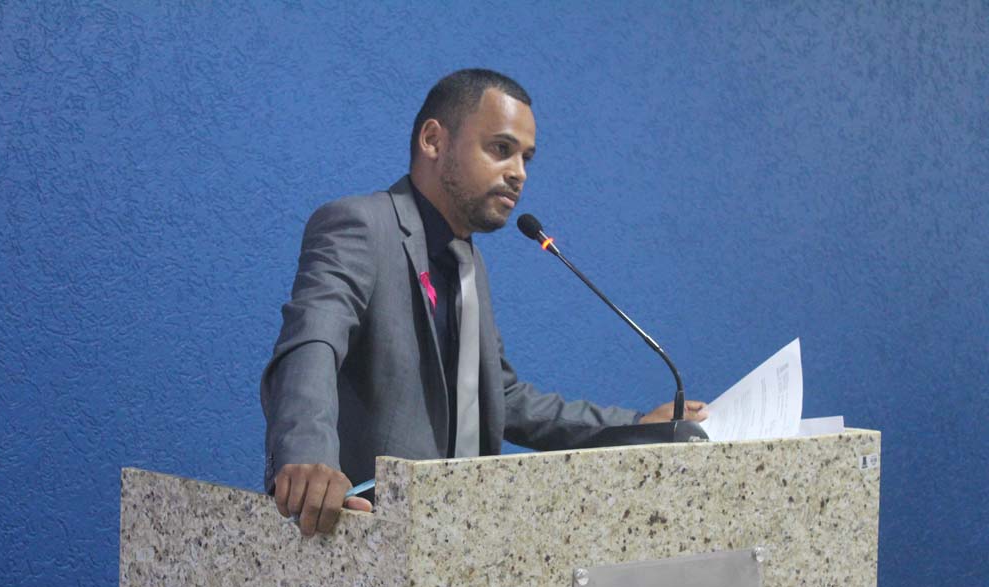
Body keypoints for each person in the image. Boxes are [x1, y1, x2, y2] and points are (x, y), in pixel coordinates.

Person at [261, 69, 708, 537]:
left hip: (462, 538)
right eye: (500, 148)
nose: (519, 173)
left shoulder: (468, 262)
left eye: (526, 158)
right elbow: (312, 342)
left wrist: (637, 426)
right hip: (362, 533)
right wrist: (306, 454)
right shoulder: (361, 225)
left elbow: (501, 397)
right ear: (434, 140)